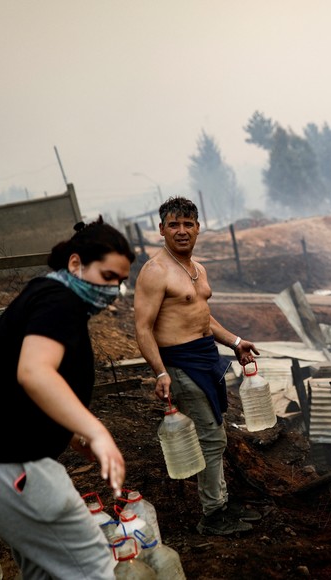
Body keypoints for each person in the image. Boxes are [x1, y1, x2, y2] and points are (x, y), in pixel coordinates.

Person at [0, 217, 134, 578]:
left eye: (122, 282)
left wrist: (72, 433)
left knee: (44, 572)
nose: (114, 290)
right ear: (75, 263)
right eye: (108, 277)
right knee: (92, 568)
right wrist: (97, 431)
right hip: (13, 461)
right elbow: (34, 373)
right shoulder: (59, 299)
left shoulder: (49, 295)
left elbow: (14, 390)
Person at [134, 196, 262, 536]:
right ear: (161, 229)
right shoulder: (154, 272)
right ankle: (213, 514)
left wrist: (235, 343)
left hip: (206, 358)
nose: (181, 231)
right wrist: (160, 372)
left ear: (197, 228)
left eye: (188, 224)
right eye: (173, 225)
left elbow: (203, 318)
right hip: (179, 364)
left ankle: (219, 499)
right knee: (212, 437)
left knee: (215, 431)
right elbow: (143, 328)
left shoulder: (197, 269)